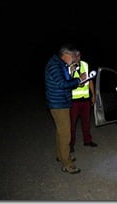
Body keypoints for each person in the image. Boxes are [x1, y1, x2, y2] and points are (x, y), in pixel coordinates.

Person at [45, 44, 86, 174]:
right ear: (66, 55)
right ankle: (67, 164)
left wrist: (72, 72)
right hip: (58, 103)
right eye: (73, 57)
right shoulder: (55, 65)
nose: (74, 59)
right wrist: (78, 80)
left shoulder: (59, 64)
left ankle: (61, 155)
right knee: (65, 133)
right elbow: (62, 84)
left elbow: (64, 80)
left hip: (60, 102)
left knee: (60, 132)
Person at [69, 50, 97, 153]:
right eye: (74, 55)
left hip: (85, 99)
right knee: (72, 124)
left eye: (78, 55)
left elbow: (90, 80)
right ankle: (70, 144)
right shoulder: (68, 67)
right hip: (74, 100)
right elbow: (66, 82)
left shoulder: (85, 64)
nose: (77, 57)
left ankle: (87, 140)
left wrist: (93, 95)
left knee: (86, 121)